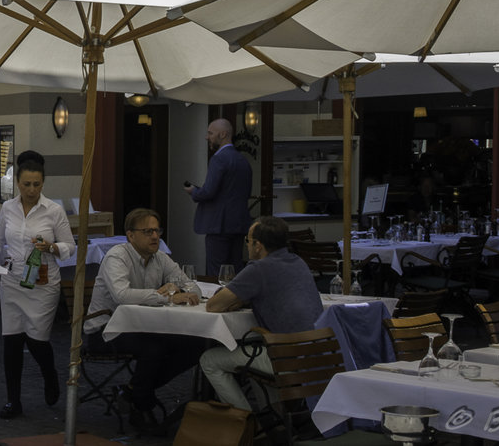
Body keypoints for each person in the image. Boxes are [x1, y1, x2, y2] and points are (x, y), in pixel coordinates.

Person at [84, 208, 205, 428]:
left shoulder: (160, 257)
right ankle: (142, 404)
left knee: (196, 345)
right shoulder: (117, 256)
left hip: (144, 326)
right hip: (106, 329)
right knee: (154, 349)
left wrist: (178, 289)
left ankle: (132, 392)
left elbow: (191, 284)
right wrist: (166, 296)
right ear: (131, 235)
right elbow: (122, 295)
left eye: (157, 231)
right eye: (148, 231)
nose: (155, 236)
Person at [0, 150, 74, 419]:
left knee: (37, 339)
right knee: (11, 340)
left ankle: (50, 375)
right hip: (12, 280)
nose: (32, 190)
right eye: (26, 184)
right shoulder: (8, 208)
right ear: (18, 184)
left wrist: (52, 246)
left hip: (43, 283)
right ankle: (13, 400)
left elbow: (71, 245)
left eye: (37, 184)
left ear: (43, 184)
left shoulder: (53, 211)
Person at [199, 216, 324, 409]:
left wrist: (236, 299)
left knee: (209, 360)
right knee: (257, 355)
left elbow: (214, 305)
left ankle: (246, 421)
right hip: (320, 355)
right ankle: (274, 419)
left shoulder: (259, 268)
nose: (247, 246)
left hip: (288, 357)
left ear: (258, 245)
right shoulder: (297, 261)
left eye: (248, 241)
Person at [188, 118, 252, 275]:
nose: (207, 137)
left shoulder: (218, 159)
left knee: (216, 271)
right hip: (239, 223)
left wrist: (194, 191)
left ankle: (218, 299)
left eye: (210, 133)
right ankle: (236, 299)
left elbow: (209, 191)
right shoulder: (243, 160)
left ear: (223, 134)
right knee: (235, 268)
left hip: (218, 224)